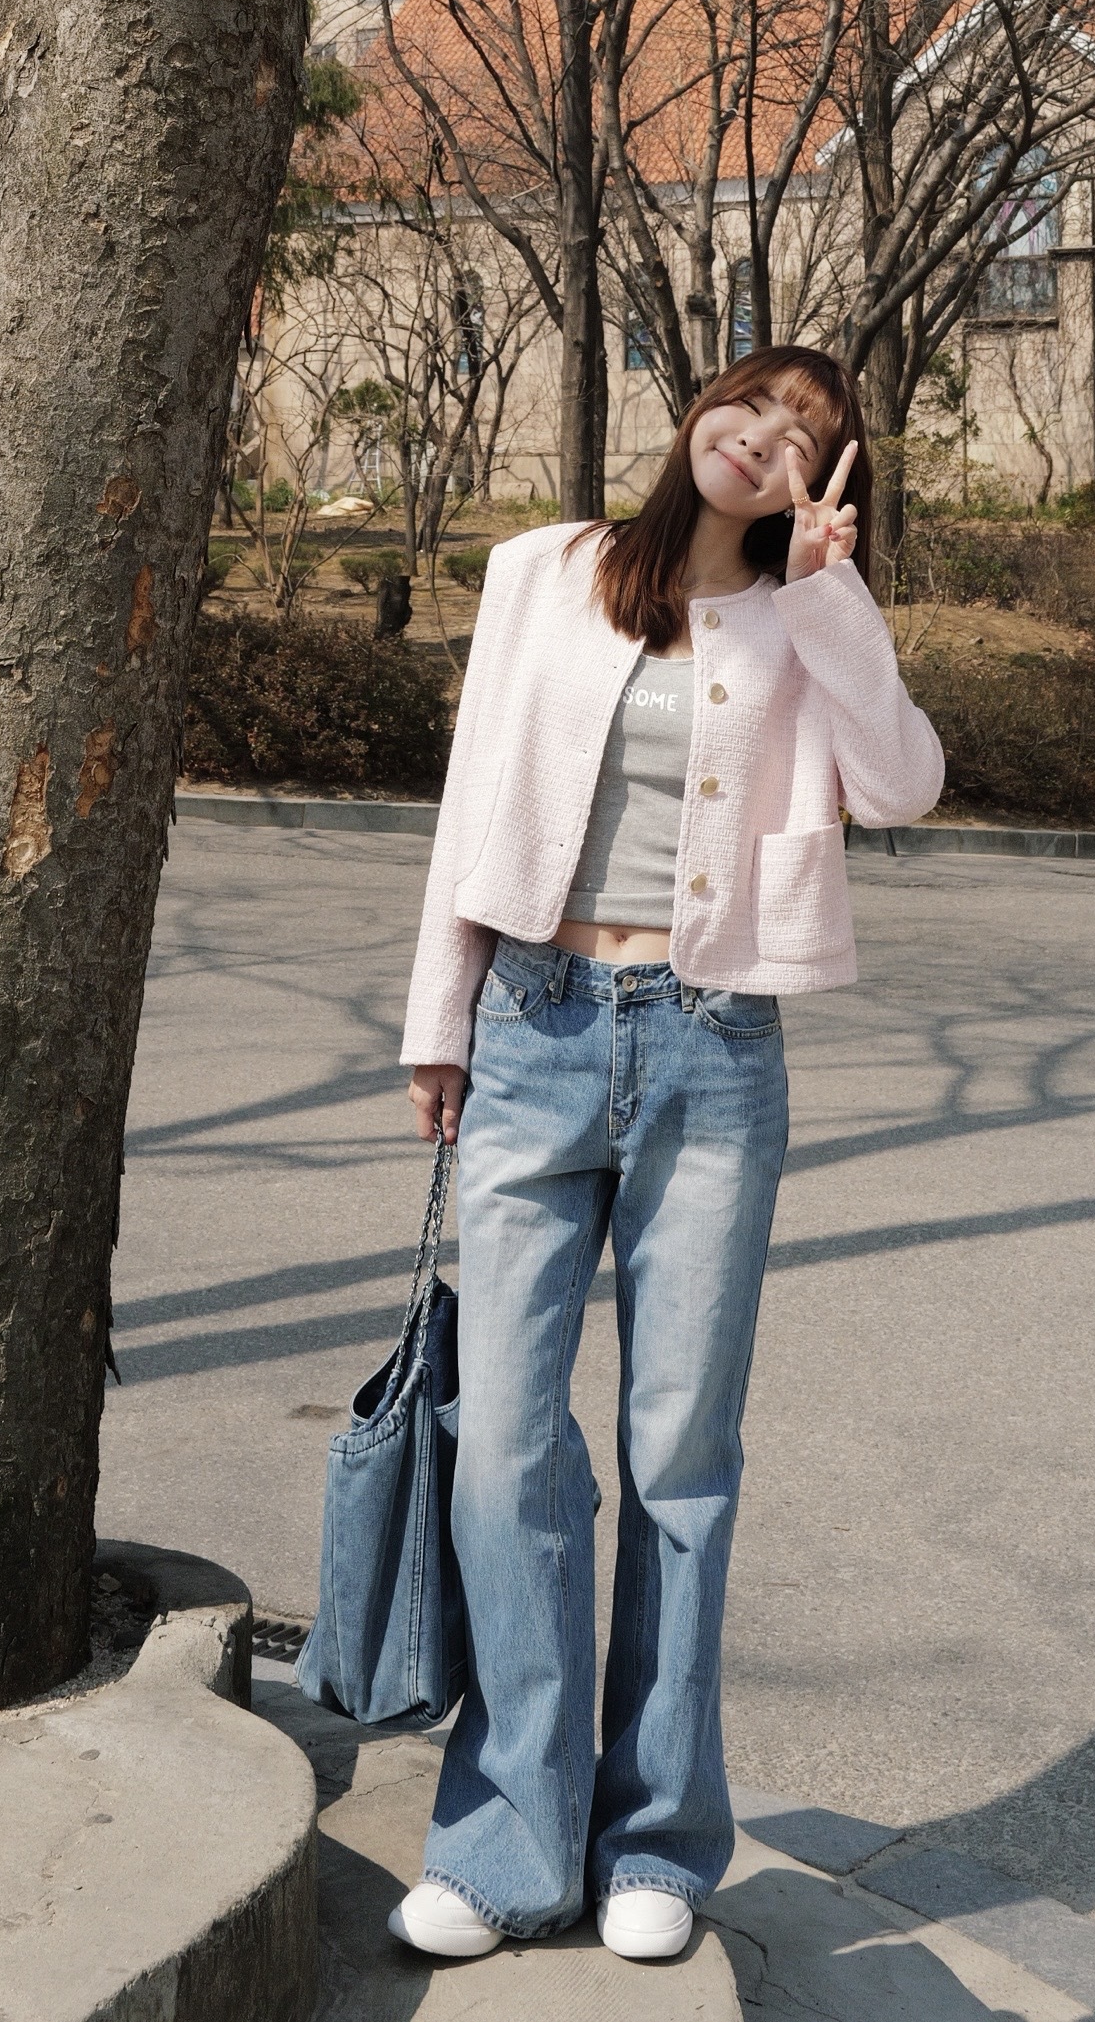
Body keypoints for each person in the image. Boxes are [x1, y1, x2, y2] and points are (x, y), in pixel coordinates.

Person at [392, 346, 944, 1966]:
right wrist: (440, 1017)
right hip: (533, 1023)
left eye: (803, 438)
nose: (761, 441)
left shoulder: (801, 616)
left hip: (712, 1047)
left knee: (681, 1454)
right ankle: (507, 1841)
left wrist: (832, 596)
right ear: (698, 409)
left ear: (824, 481)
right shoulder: (543, 569)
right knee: (505, 1444)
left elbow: (902, 784)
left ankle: (655, 1837)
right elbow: (471, 798)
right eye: (747, 406)